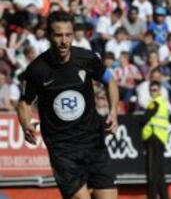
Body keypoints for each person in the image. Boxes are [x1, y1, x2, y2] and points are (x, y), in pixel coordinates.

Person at [16, 11, 119, 199]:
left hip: (93, 141)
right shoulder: (37, 69)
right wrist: (25, 123)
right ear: (49, 36)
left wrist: (113, 112)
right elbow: (24, 102)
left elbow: (110, 81)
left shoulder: (87, 59)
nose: (64, 41)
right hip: (62, 149)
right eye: (58, 35)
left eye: (68, 35)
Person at [141, 80, 171, 199]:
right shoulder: (163, 102)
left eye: (155, 90)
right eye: (151, 90)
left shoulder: (155, 103)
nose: (152, 92)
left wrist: (141, 123)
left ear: (159, 91)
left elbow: (144, 119)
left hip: (154, 138)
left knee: (152, 173)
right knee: (159, 172)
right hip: (161, 138)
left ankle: (152, 196)